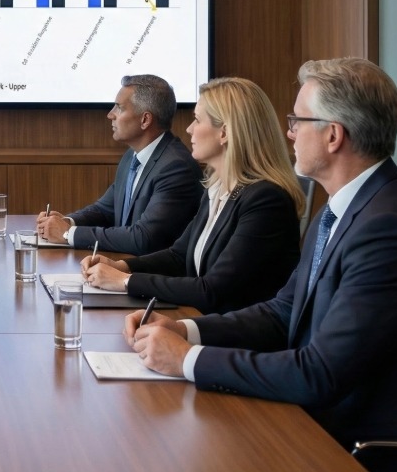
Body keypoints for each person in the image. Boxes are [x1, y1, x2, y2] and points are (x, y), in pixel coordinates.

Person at [128, 58, 397, 472]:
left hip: (365, 458)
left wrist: (185, 360)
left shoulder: (388, 225)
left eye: (298, 121)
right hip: (314, 425)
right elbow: (282, 312)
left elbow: (320, 372)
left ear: (333, 135)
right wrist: (185, 329)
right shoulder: (345, 207)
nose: (288, 132)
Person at [82, 77, 302, 313]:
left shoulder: (266, 201)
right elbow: (179, 256)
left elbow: (212, 290)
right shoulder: (218, 187)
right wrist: (122, 266)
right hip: (201, 320)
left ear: (224, 133)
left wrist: (124, 281)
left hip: (233, 339)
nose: (188, 129)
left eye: (197, 120)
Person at [36, 74, 201, 253]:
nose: (110, 115)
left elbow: (143, 238)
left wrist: (69, 234)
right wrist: (67, 222)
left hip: (153, 275)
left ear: (145, 119)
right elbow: (105, 210)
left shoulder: (176, 167)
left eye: (119, 108)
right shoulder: (132, 155)